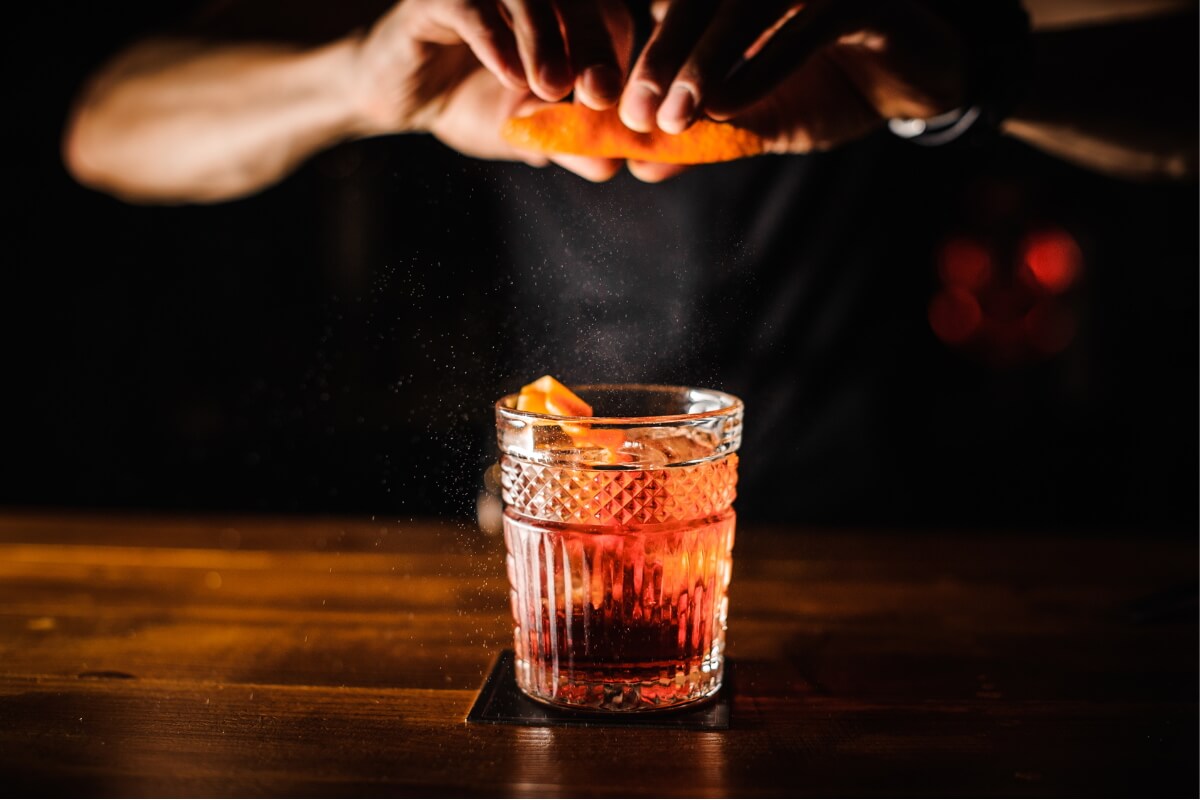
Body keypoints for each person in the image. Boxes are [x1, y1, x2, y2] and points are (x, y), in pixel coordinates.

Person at [58, 0, 1199, 528]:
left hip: (906, 535)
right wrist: (355, 80)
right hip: (568, 526)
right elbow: (110, 127)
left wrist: (960, 78)